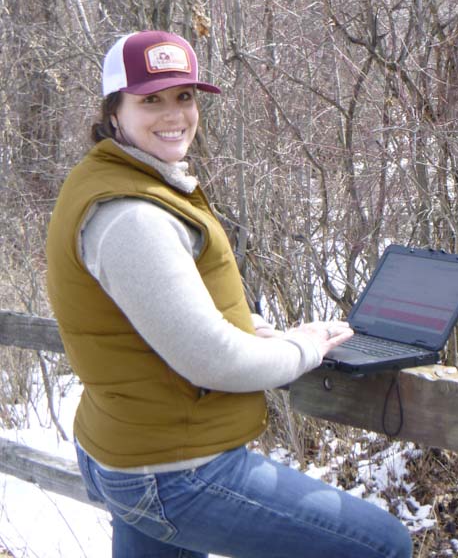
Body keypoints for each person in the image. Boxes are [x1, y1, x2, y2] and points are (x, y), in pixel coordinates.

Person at [46, 30, 413, 558]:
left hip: (130, 450)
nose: (174, 114)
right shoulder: (131, 216)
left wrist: (261, 331)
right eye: (151, 99)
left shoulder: (118, 181)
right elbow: (210, 360)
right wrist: (303, 348)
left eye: (184, 96)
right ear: (113, 110)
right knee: (381, 545)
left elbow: (169, 314)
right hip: (174, 471)